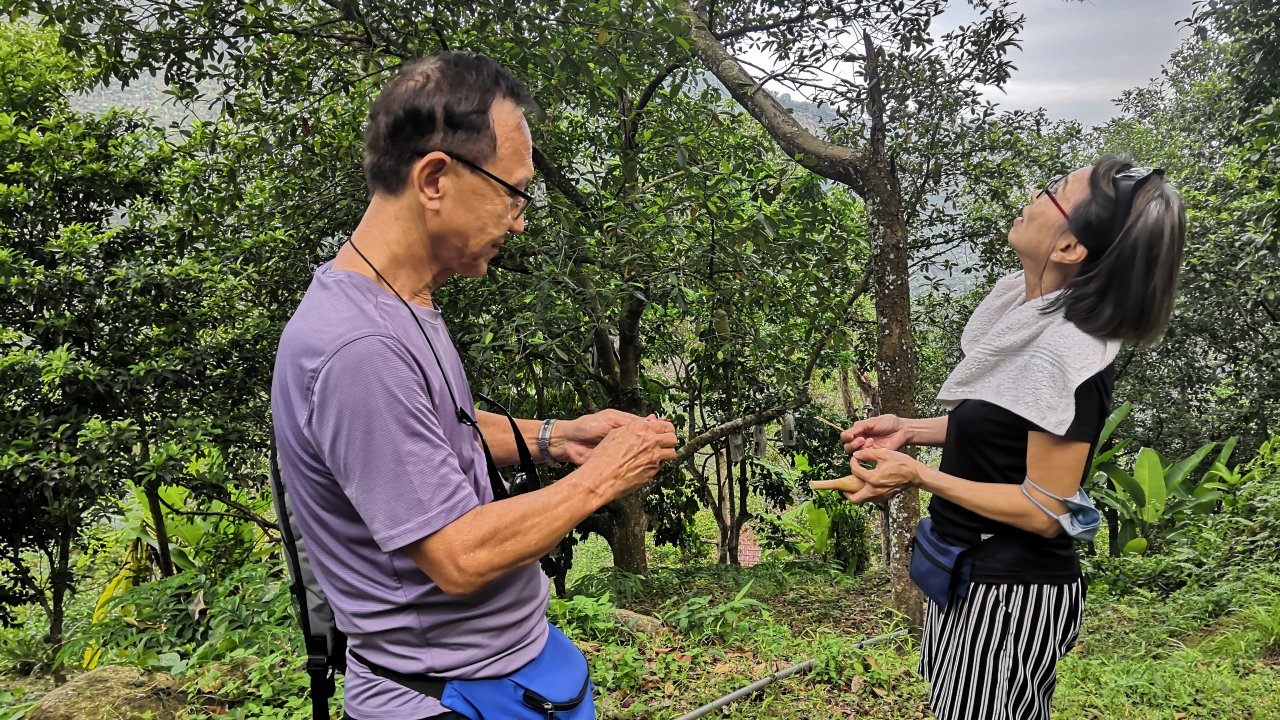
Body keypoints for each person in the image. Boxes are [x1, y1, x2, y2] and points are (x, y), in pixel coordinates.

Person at [270, 52, 678, 720]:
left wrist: (559, 438)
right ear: (435, 178)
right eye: (513, 191)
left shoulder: (399, 302)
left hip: (494, 679)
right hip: (442, 700)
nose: (520, 219)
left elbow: (428, 430)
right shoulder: (358, 347)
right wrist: (603, 477)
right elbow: (459, 554)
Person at [818, 157, 1186, 719]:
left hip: (1009, 594)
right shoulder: (1030, 315)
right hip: (966, 573)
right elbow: (1006, 430)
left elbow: (1044, 508)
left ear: (1069, 248)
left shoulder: (1071, 356)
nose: (1033, 195)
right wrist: (910, 431)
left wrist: (917, 475)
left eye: (1053, 192)